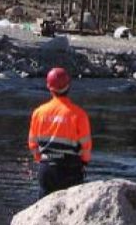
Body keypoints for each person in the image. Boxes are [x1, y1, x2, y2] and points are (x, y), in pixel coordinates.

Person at [28, 67, 92, 198]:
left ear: (49, 87)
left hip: (46, 170)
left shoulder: (39, 112)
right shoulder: (78, 114)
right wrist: (84, 162)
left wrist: (41, 159)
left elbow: (32, 144)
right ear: (68, 86)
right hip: (70, 170)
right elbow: (86, 145)